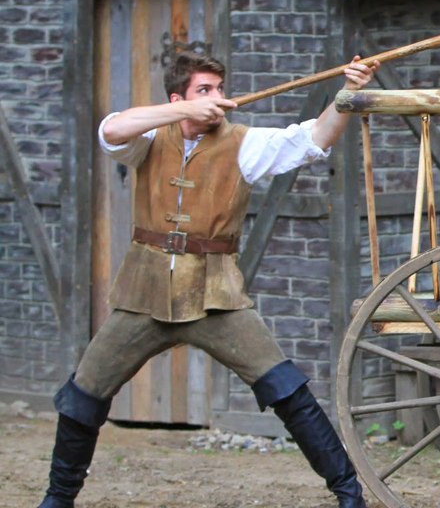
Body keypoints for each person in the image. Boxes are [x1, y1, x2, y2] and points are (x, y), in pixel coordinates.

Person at [38, 51, 380, 508]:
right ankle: (57, 500)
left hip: (216, 297)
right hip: (144, 294)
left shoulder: (242, 142)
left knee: (286, 388)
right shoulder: (148, 138)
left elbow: (313, 139)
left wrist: (349, 92)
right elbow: (111, 130)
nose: (217, 98)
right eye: (205, 90)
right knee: (84, 393)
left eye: (219, 89)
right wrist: (184, 111)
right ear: (178, 98)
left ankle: (349, 494)